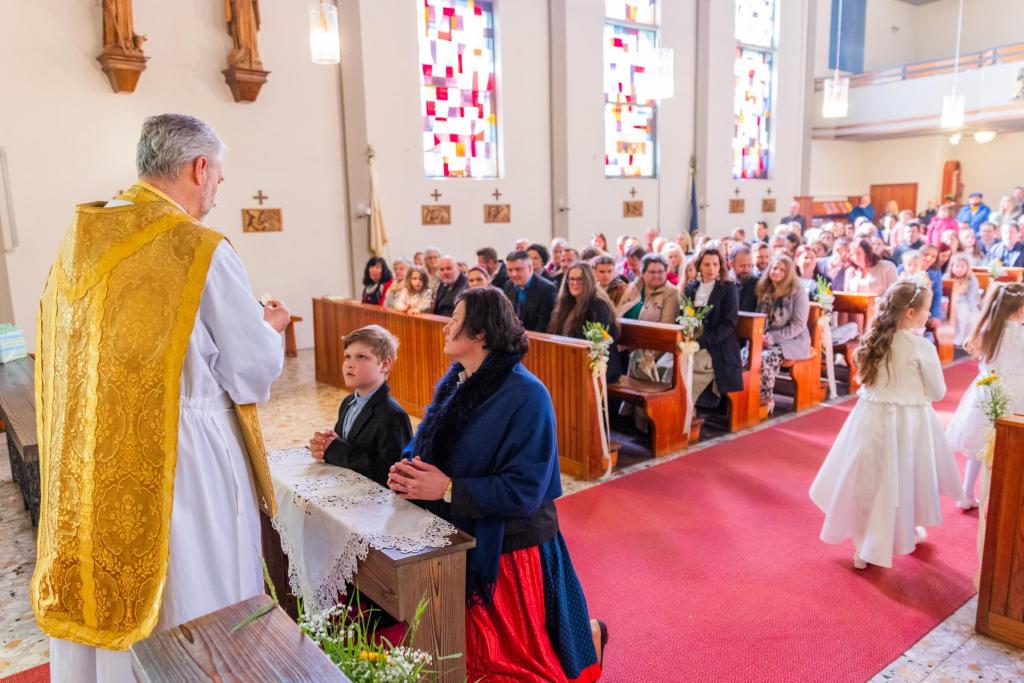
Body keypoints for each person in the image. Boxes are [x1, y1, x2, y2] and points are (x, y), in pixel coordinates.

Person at [34, 114, 289, 682]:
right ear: (199, 168)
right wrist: (270, 329)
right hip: (181, 459)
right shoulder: (195, 247)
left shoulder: (78, 241)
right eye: (218, 177)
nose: (217, 190)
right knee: (193, 585)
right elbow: (248, 369)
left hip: (90, 464)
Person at [386, 288, 606, 682]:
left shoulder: (528, 395)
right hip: (460, 533)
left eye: (456, 319)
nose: (446, 326)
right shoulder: (457, 381)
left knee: (512, 665)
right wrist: (407, 468)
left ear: (480, 333)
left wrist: (447, 488)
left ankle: (590, 637)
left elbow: (525, 490)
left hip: (510, 547)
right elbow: (427, 441)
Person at [810, 280, 963, 569]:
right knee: (903, 478)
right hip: (907, 423)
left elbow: (865, 380)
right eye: (926, 309)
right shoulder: (921, 347)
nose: (929, 315)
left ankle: (863, 545)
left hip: (870, 418)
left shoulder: (874, 340)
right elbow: (938, 392)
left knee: (870, 479)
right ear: (909, 312)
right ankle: (898, 533)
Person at [947, 283, 1024, 509]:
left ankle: (966, 493)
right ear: (1021, 309)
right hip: (1018, 393)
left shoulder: (987, 332)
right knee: (1012, 447)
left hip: (987, 391)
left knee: (981, 447)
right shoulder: (1020, 335)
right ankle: (1006, 499)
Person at [309, 326, 412, 487]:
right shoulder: (347, 403)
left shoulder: (393, 415)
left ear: (385, 364)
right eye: (347, 356)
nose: (349, 364)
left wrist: (336, 449)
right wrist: (325, 447)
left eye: (361, 357)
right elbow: (345, 447)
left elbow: (391, 474)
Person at [683, 248, 744, 407]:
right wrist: (686, 336)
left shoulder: (728, 287)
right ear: (699, 266)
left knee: (689, 367)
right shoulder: (691, 287)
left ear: (720, 266)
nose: (711, 268)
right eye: (707, 264)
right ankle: (667, 409)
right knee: (667, 363)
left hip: (717, 344)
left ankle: (686, 409)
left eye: (715, 264)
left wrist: (700, 343)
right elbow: (684, 316)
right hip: (691, 340)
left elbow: (728, 324)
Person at [754, 255, 811, 414]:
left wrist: (772, 338)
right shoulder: (765, 288)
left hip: (792, 340)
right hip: (765, 337)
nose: (777, 272)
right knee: (746, 354)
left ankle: (766, 399)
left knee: (766, 358)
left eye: (782, 270)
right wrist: (760, 337)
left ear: (789, 273)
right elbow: (759, 317)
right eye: (774, 268)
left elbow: (799, 325)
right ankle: (749, 397)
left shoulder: (798, 291)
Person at [548, 263, 623, 383]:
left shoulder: (598, 306)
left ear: (588, 281)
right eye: (572, 279)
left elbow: (598, 345)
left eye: (580, 279)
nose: (575, 283)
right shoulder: (566, 304)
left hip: (599, 368)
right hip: (574, 362)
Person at [616, 253, 681, 382]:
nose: (656, 276)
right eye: (652, 272)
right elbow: (618, 312)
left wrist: (645, 354)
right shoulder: (633, 287)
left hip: (648, 351)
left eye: (660, 271)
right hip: (623, 344)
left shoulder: (671, 293)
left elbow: (665, 331)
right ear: (643, 272)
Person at [503, 249, 557, 332]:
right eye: (510, 270)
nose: (514, 274)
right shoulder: (508, 285)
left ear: (530, 267)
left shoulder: (547, 289)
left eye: (518, 269)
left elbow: (543, 326)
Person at [947, 253, 981, 347]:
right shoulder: (947, 277)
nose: (959, 269)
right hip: (949, 304)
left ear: (967, 268)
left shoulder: (971, 280)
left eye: (962, 267)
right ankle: (954, 337)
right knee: (956, 310)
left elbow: (971, 298)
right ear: (952, 267)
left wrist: (970, 309)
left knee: (963, 312)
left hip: (966, 304)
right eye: (957, 266)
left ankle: (962, 338)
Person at [729, 245, 758, 312]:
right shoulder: (723, 283)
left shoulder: (758, 284)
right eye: (742, 266)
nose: (746, 270)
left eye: (749, 265)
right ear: (731, 264)